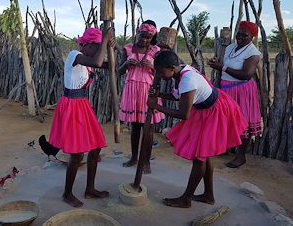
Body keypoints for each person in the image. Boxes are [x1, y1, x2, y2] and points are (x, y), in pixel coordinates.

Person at [147, 50, 247, 208]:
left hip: (214, 111)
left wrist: (156, 106)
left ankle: (186, 199)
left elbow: (183, 114)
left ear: (172, 67)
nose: (159, 75)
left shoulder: (188, 79)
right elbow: (178, 96)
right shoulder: (180, 72)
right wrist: (160, 94)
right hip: (205, 110)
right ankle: (208, 195)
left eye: (160, 72)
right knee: (203, 155)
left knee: (199, 158)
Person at [49, 27, 115, 208]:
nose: (95, 50)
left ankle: (90, 189)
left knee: (94, 149)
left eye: (97, 47)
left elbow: (111, 66)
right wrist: (103, 42)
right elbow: (98, 60)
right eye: (94, 47)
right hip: (71, 105)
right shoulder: (74, 55)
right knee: (77, 155)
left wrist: (111, 47)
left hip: (82, 105)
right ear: (86, 45)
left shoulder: (87, 61)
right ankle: (67, 193)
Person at [208, 21, 262, 168]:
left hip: (242, 90)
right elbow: (227, 65)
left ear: (252, 37)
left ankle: (241, 155)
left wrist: (222, 67)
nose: (240, 37)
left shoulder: (253, 53)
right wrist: (217, 63)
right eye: (239, 33)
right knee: (225, 120)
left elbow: (246, 74)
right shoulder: (231, 47)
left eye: (245, 35)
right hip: (227, 89)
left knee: (243, 122)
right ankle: (224, 149)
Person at [118, 20, 165, 174]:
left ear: (152, 38)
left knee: (148, 128)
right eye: (142, 36)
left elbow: (163, 73)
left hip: (147, 91)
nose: (144, 40)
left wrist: (152, 67)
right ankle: (134, 158)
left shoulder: (156, 51)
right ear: (137, 33)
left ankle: (146, 161)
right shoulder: (128, 48)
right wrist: (126, 65)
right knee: (135, 127)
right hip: (131, 90)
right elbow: (118, 71)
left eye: (148, 38)